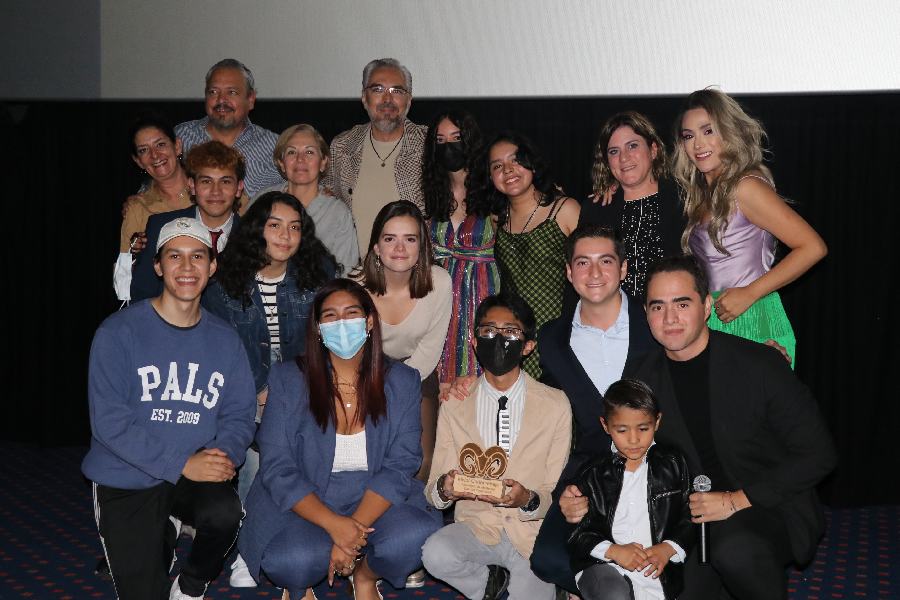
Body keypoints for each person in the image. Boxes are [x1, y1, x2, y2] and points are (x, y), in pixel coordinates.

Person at [624, 255, 835, 599]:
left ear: (706, 305)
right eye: (657, 307)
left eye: (682, 303)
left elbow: (819, 454)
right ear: (646, 314)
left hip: (767, 504)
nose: (670, 318)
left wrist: (738, 500)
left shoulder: (760, 364)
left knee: (735, 551)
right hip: (692, 522)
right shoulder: (641, 378)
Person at [82, 217, 256, 600]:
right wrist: (180, 463)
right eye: (174, 256)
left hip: (190, 471)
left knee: (225, 514)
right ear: (158, 266)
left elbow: (240, 413)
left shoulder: (225, 340)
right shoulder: (117, 333)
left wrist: (223, 455)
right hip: (125, 475)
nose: (187, 267)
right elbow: (110, 424)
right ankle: (163, 528)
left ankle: (192, 584)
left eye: (198, 257)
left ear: (213, 267)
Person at [237, 279, 441, 600]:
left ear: (369, 321)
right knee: (291, 561)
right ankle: (301, 582)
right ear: (318, 328)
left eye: (351, 313)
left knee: (414, 540)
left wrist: (351, 530)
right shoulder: (289, 379)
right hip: (306, 495)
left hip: (374, 493)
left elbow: (402, 463)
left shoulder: (402, 381)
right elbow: (278, 467)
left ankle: (364, 574)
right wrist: (334, 524)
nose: (342, 324)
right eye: (330, 316)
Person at [202, 191, 336, 587]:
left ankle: (295, 536)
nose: (285, 235)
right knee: (255, 460)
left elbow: (328, 342)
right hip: (242, 395)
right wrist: (257, 390)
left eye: (295, 227)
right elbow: (217, 349)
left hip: (305, 390)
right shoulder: (225, 282)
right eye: (274, 225)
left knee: (297, 455)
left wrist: (289, 390)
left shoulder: (318, 272)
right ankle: (249, 548)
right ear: (256, 229)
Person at [529, 224, 659, 594]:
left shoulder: (655, 324)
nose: (595, 273)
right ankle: (602, 575)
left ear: (624, 269)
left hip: (654, 470)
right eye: (583, 263)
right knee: (548, 559)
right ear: (569, 273)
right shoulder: (552, 339)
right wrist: (568, 488)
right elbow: (537, 399)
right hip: (587, 476)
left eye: (606, 261)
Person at [422, 293, 572, 600]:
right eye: (488, 331)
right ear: (475, 341)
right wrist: (447, 487)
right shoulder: (455, 404)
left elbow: (553, 490)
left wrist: (526, 498)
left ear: (528, 345)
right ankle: (488, 581)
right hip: (477, 527)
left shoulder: (555, 404)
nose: (498, 339)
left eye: (511, 332)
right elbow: (433, 491)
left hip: (530, 534)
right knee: (434, 553)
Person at [674, 88, 827, 364]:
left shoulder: (745, 188)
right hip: (717, 321)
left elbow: (813, 247)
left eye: (708, 131)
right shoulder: (703, 197)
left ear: (728, 132)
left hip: (753, 317)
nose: (698, 144)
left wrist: (750, 293)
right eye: (689, 135)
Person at [567, 378, 693, 600]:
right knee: (614, 595)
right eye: (622, 430)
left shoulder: (673, 463)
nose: (634, 439)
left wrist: (669, 548)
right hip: (603, 565)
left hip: (659, 570)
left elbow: (689, 514)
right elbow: (579, 534)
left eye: (643, 428)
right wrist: (614, 551)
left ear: (657, 421)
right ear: (606, 425)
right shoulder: (593, 473)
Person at [355, 200, 452, 485]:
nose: (399, 249)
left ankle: (409, 520)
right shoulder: (353, 286)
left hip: (417, 374)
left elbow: (429, 351)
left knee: (421, 462)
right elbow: (351, 353)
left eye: (409, 239)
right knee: (369, 456)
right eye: (389, 239)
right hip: (364, 375)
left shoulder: (439, 282)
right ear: (376, 246)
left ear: (421, 247)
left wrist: (395, 389)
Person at [472, 132, 580, 378]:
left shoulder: (564, 210)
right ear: (490, 176)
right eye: (497, 166)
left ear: (531, 162)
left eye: (515, 160)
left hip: (562, 336)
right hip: (516, 338)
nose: (508, 170)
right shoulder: (497, 220)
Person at [423, 109, 500, 385]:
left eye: (456, 138)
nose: (449, 147)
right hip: (441, 302)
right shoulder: (430, 193)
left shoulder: (494, 188)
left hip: (484, 296)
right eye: (440, 141)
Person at [323, 58, 427, 253]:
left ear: (409, 100)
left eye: (397, 91)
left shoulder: (429, 145)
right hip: (354, 274)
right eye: (378, 90)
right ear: (364, 97)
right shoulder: (342, 146)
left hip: (412, 274)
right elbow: (327, 202)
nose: (387, 99)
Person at [579, 111, 686, 300]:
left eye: (632, 146)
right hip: (616, 321)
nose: (624, 158)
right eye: (614, 151)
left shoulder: (684, 198)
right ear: (606, 161)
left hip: (672, 315)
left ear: (653, 150)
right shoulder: (596, 208)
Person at [131, 141, 245, 302]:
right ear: (192, 185)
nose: (216, 191)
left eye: (225, 181)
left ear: (239, 188)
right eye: (206, 181)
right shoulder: (160, 226)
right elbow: (142, 293)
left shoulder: (253, 235)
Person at [254, 124, 360, 274]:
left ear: (323, 162)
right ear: (281, 163)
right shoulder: (262, 201)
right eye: (291, 152)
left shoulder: (338, 214)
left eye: (309, 152)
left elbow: (346, 273)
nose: (300, 159)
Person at [115, 113, 194, 301]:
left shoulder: (213, 192)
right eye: (143, 150)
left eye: (160, 144)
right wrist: (137, 254)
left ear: (177, 146)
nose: (155, 155)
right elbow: (125, 279)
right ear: (138, 161)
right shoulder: (137, 208)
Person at [175, 58, 281, 197]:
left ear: (250, 100)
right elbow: (148, 179)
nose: (221, 100)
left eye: (231, 92)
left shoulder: (275, 146)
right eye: (213, 92)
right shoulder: (180, 137)